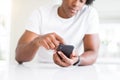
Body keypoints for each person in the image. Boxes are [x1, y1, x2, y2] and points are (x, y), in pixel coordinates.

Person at [15, 0, 100, 67]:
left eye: (81, 1)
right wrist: (36, 41)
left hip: (74, 69)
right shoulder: (41, 13)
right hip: (43, 69)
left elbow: (93, 53)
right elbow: (19, 57)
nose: (76, 4)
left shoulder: (89, 14)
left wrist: (77, 60)